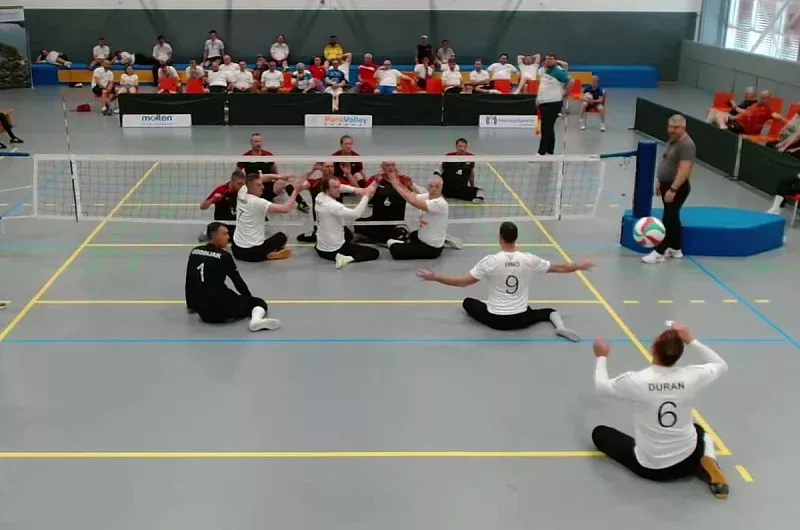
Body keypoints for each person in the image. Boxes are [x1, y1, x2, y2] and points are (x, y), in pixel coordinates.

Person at [591, 322, 729, 499]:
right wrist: (692, 340)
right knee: (700, 431)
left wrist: (601, 356)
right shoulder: (693, 375)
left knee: (600, 433)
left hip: (652, 469)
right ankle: (709, 461)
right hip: (689, 459)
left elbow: (602, 387)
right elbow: (721, 365)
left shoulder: (637, 380)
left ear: (654, 351)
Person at [416, 221, 591, 340]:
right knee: (549, 312)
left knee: (468, 302)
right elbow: (559, 268)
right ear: (516, 238)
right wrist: (579, 266)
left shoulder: (491, 261)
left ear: (500, 237)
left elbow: (463, 282)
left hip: (496, 320)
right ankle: (560, 327)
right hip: (522, 319)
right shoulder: (528, 259)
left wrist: (437, 277)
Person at [185, 222, 280, 331]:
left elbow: (189, 279)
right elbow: (237, 281)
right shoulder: (224, 256)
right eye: (225, 234)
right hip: (221, 309)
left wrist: (191, 305)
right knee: (259, 303)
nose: (228, 237)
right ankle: (256, 321)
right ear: (215, 236)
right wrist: (249, 300)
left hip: (203, 312)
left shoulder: (194, 251)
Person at [643, 114, 695, 265]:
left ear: (684, 127)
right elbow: (666, 160)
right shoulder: (673, 140)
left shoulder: (687, 145)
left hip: (677, 187)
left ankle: (659, 252)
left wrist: (673, 189)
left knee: (668, 219)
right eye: (670, 126)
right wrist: (660, 182)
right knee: (673, 217)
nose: (672, 130)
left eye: (676, 127)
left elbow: (685, 169)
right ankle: (676, 248)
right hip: (667, 184)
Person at [232, 173, 306, 263]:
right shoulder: (258, 202)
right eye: (259, 185)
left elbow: (262, 177)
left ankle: (266, 254)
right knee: (283, 236)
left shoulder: (242, 191)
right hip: (253, 252)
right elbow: (286, 209)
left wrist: (280, 176)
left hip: (236, 249)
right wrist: (295, 191)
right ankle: (269, 254)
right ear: (250, 188)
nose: (263, 187)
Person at [315, 178, 379, 269]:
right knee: (373, 252)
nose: (339, 189)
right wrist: (366, 196)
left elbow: (342, 187)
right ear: (327, 189)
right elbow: (356, 214)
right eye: (335, 188)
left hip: (320, 248)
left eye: (338, 186)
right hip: (333, 250)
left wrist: (356, 190)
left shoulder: (320, 196)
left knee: (348, 235)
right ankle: (345, 258)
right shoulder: (333, 205)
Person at [237, 133, 310, 213]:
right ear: (251, 142)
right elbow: (237, 173)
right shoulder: (245, 157)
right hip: (253, 189)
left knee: (282, 182)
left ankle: (301, 202)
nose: (258, 143)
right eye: (256, 141)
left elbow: (275, 173)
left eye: (260, 141)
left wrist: (280, 181)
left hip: (267, 187)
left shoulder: (268, 155)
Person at [385, 172, 448, 260]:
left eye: (437, 187)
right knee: (413, 234)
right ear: (427, 187)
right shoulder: (427, 196)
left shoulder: (440, 203)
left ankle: (404, 245)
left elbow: (413, 201)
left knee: (395, 249)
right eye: (431, 186)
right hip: (421, 238)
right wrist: (398, 183)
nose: (433, 189)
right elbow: (411, 195)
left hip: (431, 247)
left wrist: (396, 185)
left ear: (441, 188)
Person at [536, 53, 571, 155]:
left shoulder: (557, 71)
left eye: (551, 59)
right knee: (549, 127)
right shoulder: (544, 71)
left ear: (555, 60)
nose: (548, 61)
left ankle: (541, 152)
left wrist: (565, 92)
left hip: (553, 103)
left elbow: (570, 80)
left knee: (546, 128)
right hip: (543, 102)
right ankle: (550, 150)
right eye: (547, 59)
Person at [198, 170, 246, 241]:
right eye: (239, 184)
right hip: (222, 223)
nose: (241, 186)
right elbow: (202, 207)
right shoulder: (221, 190)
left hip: (237, 222)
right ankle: (209, 233)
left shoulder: (244, 190)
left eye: (243, 184)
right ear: (232, 181)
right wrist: (213, 200)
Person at [440, 138, 483, 202]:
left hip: (461, 189)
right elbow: (441, 171)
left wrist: (472, 187)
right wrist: (440, 189)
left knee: (480, 191)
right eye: (460, 146)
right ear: (456, 147)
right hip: (447, 189)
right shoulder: (449, 156)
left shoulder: (470, 157)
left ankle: (478, 198)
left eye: (464, 146)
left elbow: (471, 172)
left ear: (467, 147)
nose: (462, 148)